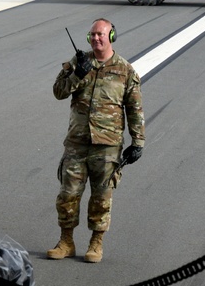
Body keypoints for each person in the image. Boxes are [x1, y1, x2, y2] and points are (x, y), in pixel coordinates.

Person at [49, 18, 145, 263]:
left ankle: (96, 243)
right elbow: (58, 92)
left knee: (102, 197)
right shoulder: (79, 63)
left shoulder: (125, 70)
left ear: (111, 36)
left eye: (101, 35)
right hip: (77, 143)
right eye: (92, 35)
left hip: (108, 145)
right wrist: (76, 75)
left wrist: (137, 142)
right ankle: (66, 241)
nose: (96, 39)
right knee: (67, 194)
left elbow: (134, 108)